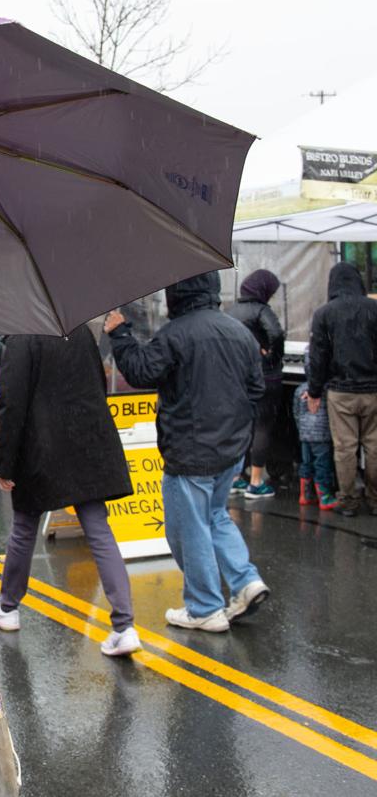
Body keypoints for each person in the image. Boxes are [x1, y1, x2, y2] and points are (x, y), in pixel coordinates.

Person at [106, 271, 269, 632]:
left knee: (189, 529)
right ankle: (245, 581)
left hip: (190, 451)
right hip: (231, 449)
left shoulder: (176, 334)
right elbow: (256, 388)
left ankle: (204, 607)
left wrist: (120, 334)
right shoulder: (239, 332)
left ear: (176, 293)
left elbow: (140, 371)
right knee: (216, 516)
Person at [0, 328, 141, 656]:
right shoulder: (78, 329)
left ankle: (8, 607)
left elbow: (11, 405)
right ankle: (124, 626)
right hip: (87, 440)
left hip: (41, 448)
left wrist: (5, 464)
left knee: (24, 526)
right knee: (99, 529)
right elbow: (96, 381)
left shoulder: (21, 337)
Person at [306, 262, 377, 517]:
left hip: (341, 391)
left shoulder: (324, 313)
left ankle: (348, 501)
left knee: (345, 448)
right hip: (374, 390)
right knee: (374, 446)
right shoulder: (374, 308)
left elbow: (318, 357)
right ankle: (375, 500)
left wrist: (314, 391)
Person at [226, 269, 285, 499]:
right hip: (264, 377)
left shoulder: (230, 312)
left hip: (237, 379)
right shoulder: (261, 310)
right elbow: (276, 335)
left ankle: (235, 479)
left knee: (240, 428)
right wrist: (272, 357)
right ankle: (256, 482)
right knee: (262, 427)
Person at [293, 363, 339, 511]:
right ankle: (324, 496)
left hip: (305, 436)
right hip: (322, 436)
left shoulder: (300, 389)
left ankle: (305, 495)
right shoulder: (327, 389)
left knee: (306, 463)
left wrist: (301, 430)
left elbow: (296, 412)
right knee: (322, 464)